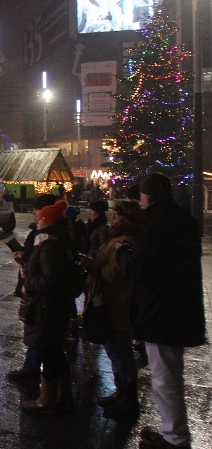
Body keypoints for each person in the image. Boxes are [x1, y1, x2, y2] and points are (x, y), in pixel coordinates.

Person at [121, 173, 205, 448]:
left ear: (147, 196)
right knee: (169, 373)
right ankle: (171, 430)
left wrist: (125, 256)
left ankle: (174, 437)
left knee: (165, 377)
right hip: (177, 309)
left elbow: (143, 269)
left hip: (163, 311)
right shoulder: (180, 220)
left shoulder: (158, 225)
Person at [79, 199, 142, 418]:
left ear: (126, 219)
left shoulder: (124, 241)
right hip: (110, 303)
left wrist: (91, 266)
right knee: (114, 350)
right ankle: (121, 392)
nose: (113, 218)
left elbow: (113, 274)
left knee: (120, 351)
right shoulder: (115, 238)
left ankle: (128, 399)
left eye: (117, 215)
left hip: (117, 304)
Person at [20, 202, 78, 413]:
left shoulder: (49, 246)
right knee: (56, 351)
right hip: (55, 306)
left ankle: (47, 400)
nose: (36, 220)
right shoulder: (58, 241)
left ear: (46, 221)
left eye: (39, 218)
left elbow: (51, 280)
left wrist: (29, 284)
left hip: (47, 308)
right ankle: (63, 395)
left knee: (48, 352)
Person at [7, 193, 56, 383]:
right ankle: (31, 366)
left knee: (35, 327)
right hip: (36, 287)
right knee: (36, 328)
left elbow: (42, 266)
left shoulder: (45, 238)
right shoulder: (47, 234)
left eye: (37, 210)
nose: (33, 213)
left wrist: (25, 263)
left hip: (37, 291)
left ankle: (32, 370)